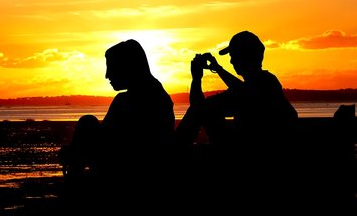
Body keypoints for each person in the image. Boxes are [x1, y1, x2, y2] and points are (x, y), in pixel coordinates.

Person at [175, 31, 298, 213]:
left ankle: (174, 152)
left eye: (233, 56)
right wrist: (218, 68)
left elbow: (200, 107)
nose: (231, 62)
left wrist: (196, 79)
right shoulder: (267, 83)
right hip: (265, 161)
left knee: (201, 119)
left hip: (251, 164)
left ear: (243, 57)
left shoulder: (262, 86)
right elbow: (243, 91)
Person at [59, 39, 175, 213]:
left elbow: (113, 143)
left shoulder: (132, 100)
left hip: (134, 171)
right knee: (87, 124)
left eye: (111, 67)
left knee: (87, 122)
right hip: (136, 166)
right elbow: (106, 139)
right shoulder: (150, 95)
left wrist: (76, 151)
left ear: (127, 65)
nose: (107, 75)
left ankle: (74, 192)